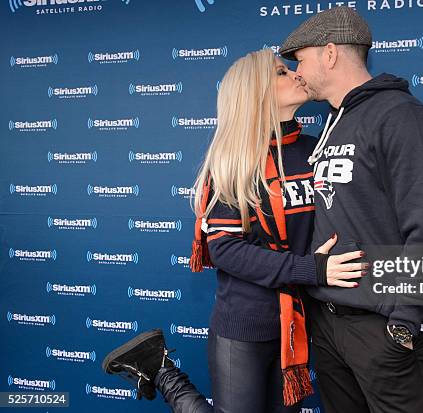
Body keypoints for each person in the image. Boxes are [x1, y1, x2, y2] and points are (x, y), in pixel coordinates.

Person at [101, 48, 366, 413]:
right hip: (245, 324)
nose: (295, 74)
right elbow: (227, 250)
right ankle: (162, 373)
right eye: (279, 73)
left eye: (289, 69)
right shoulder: (235, 161)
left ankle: (155, 367)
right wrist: (312, 269)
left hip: (301, 322)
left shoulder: (319, 150)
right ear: (254, 93)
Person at [278, 7, 423, 413]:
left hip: (386, 327)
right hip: (331, 323)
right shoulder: (333, 121)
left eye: (301, 60)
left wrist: (404, 323)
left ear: (329, 54)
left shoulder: (402, 117)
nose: (298, 72)